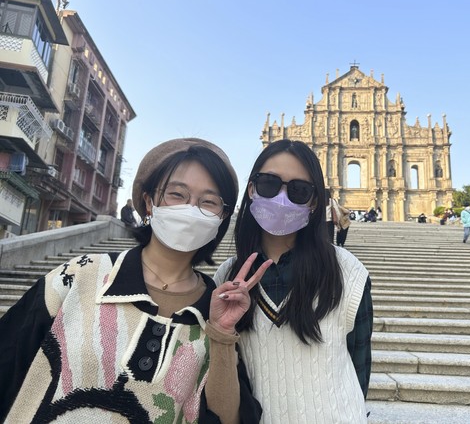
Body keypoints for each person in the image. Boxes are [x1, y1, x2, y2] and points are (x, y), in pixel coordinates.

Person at [0, 138, 272, 423]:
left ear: (222, 218)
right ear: (149, 202)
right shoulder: (81, 275)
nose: (191, 209)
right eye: (177, 195)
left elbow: (229, 418)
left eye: (208, 202)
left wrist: (222, 335)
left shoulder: (216, 308)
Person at [214, 139, 373, 423]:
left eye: (299, 190)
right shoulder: (227, 278)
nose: (282, 197)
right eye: (268, 184)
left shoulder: (347, 270)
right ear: (251, 189)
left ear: (314, 202)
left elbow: (359, 363)